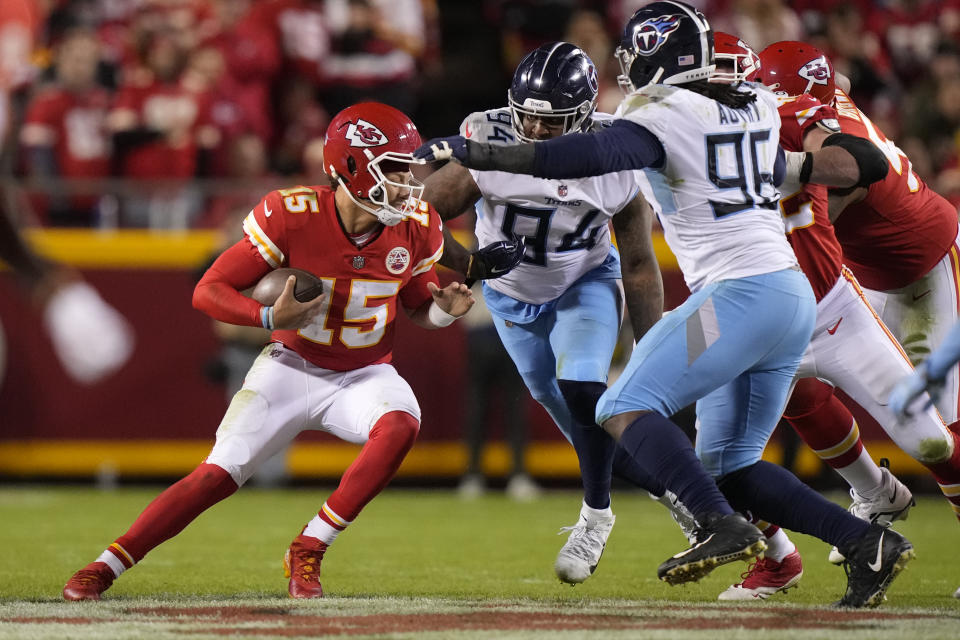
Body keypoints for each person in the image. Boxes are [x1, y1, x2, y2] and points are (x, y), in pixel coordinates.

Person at [415, 1, 914, 608]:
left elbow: (585, 156)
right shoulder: (754, 104)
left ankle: (716, 525)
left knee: (619, 407)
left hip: (738, 296)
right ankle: (864, 543)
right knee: (726, 465)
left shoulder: (657, 111)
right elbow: (847, 164)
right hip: (787, 298)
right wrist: (844, 157)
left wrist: (481, 152)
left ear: (657, 57)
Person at [61, 102, 475, 601]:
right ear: (350, 166)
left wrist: (445, 312)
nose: (409, 181)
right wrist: (267, 319)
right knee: (215, 476)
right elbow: (208, 289)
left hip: (364, 374)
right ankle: (105, 566)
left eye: (410, 168)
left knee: (402, 423)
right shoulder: (293, 214)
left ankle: (310, 547)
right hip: (291, 367)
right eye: (394, 167)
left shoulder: (416, 224)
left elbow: (416, 308)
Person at [705, 32, 960, 601]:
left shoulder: (806, 130)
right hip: (819, 287)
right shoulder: (799, 104)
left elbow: (830, 187)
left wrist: (774, 165)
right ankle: (843, 512)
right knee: (734, 429)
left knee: (938, 436)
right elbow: (833, 86)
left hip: (918, 267)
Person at [422, 41, 665, 585]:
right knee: (587, 430)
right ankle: (662, 494)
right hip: (510, 297)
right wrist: (472, 265)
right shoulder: (488, 136)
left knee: (584, 386)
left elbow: (641, 263)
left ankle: (598, 517)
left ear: (581, 117)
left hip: (586, 281)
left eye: (550, 123)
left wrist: (653, 351)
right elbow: (419, 215)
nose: (533, 133)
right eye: (526, 117)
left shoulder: (614, 152)